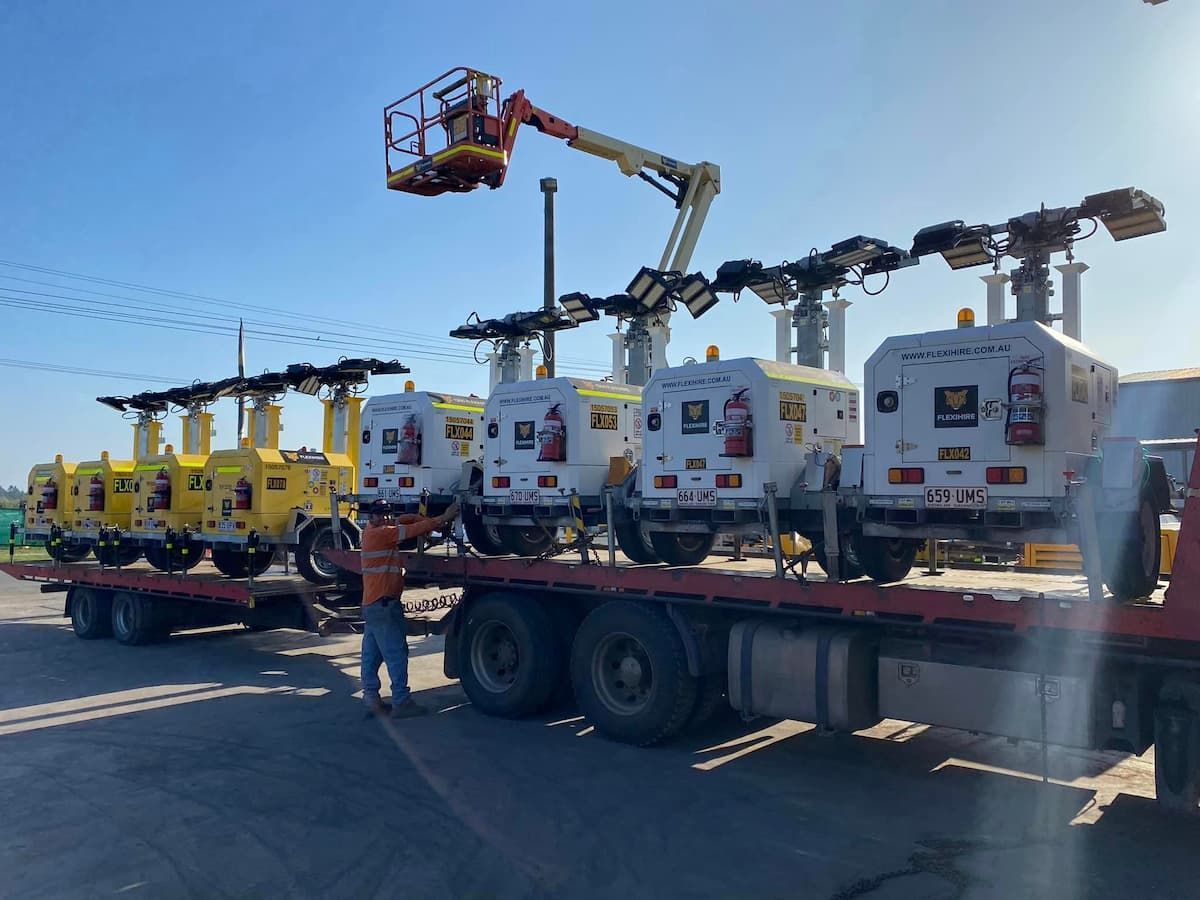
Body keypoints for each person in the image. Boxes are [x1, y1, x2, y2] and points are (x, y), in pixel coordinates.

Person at [360, 497, 459, 718]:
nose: (385, 517)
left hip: (373, 605)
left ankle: (372, 702)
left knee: (371, 656)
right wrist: (443, 518)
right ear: (371, 516)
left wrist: (415, 517)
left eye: (387, 514)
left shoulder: (372, 530)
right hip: (385, 605)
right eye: (381, 514)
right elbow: (411, 530)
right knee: (396, 653)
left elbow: (402, 522)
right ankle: (401, 702)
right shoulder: (382, 534)